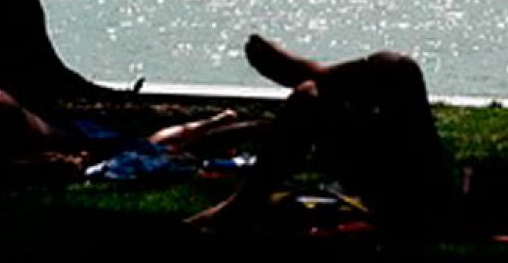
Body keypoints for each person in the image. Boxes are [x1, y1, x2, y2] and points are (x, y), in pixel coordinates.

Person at [186, 35, 456, 237]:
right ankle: (314, 74)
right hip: (410, 190)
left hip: (414, 200)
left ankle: (241, 205)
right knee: (395, 69)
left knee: (396, 69)